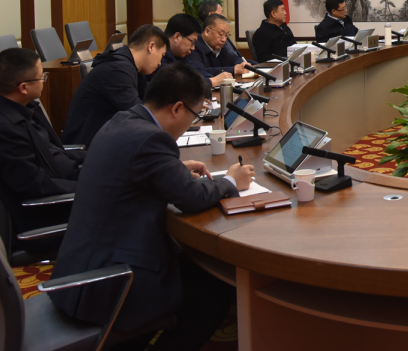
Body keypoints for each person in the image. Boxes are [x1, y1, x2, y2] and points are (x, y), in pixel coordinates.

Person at [50, 63, 255, 351]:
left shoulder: (123, 120)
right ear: (177, 108)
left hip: (82, 265)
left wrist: (173, 168)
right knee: (215, 293)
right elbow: (191, 198)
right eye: (195, 115)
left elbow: (133, 168)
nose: (192, 122)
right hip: (112, 280)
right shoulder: (152, 139)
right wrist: (232, 181)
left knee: (199, 270)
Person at [0, 47, 85, 253]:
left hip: (67, 188)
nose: (44, 81)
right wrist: (92, 187)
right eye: (42, 77)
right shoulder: (0, 129)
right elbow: (36, 186)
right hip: (50, 216)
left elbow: (53, 152)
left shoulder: (22, 108)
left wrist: (99, 156)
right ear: (24, 87)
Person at [62, 24, 167, 147]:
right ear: (151, 47)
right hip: (86, 149)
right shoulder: (117, 70)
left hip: (103, 142)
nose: (160, 63)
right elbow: (139, 113)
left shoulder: (129, 67)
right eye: (162, 55)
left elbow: (148, 102)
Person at [149, 14, 232, 88]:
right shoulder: (159, 58)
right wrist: (211, 81)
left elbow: (197, 71)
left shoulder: (180, 56)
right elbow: (177, 85)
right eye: (192, 42)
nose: (193, 48)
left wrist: (210, 78)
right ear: (177, 37)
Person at [186, 14, 250, 80]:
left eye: (226, 35)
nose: (224, 39)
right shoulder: (193, 47)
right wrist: (233, 70)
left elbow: (236, 58)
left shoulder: (220, 45)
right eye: (221, 34)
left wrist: (239, 66)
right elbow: (199, 72)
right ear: (207, 31)